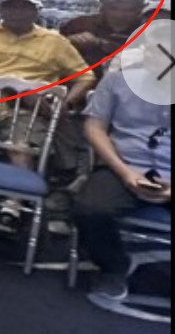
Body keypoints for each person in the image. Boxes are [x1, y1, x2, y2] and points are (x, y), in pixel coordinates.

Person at [0, 0, 96, 234]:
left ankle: (12, 207)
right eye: (11, 6)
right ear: (0, 9)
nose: (17, 12)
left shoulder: (55, 42)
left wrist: (64, 104)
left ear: (37, 11)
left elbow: (85, 77)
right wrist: (22, 91)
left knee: (21, 147)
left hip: (30, 112)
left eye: (25, 7)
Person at [72, 68, 170, 301]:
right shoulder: (119, 78)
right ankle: (113, 267)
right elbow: (94, 127)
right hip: (123, 164)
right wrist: (125, 172)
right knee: (90, 210)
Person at [60, 0, 149, 82]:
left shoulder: (148, 31)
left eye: (129, 10)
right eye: (113, 8)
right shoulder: (80, 24)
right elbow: (52, 49)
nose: (120, 15)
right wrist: (67, 42)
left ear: (143, 8)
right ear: (103, 5)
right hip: (78, 82)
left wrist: (99, 43)